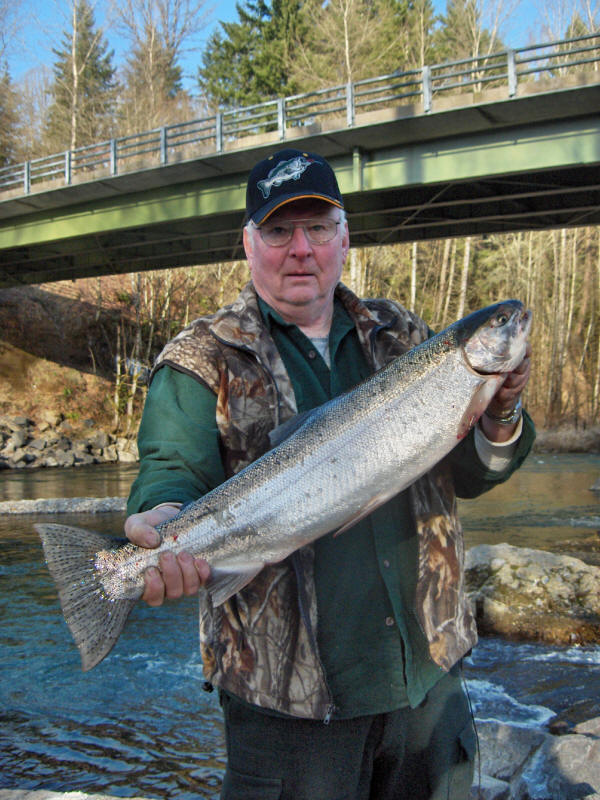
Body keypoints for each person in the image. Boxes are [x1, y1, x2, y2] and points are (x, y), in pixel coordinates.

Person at [125, 148, 534, 800]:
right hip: (286, 714)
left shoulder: (402, 335)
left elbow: (472, 473)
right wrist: (161, 523)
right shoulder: (199, 358)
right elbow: (170, 471)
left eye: (318, 228)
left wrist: (502, 409)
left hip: (427, 683)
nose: (301, 249)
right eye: (279, 230)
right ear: (248, 242)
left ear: (344, 237)